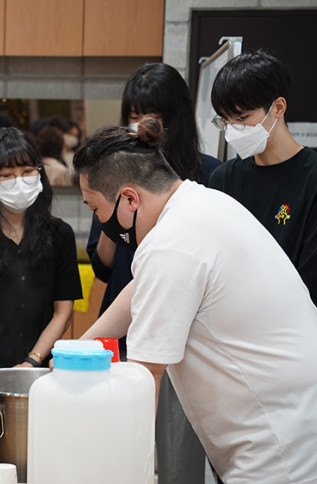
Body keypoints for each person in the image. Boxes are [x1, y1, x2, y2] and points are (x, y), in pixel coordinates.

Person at [76, 122, 317, 483]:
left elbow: (146, 376)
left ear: (129, 199)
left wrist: (126, 472)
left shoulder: (170, 244)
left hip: (288, 446)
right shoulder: (201, 202)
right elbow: (142, 286)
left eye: (95, 208)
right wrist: (79, 347)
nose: (99, 220)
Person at [85, 62, 217, 484]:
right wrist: (112, 219)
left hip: (183, 337)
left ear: (175, 117)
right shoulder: (115, 179)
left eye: (150, 115)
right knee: (115, 451)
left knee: (173, 452)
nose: (139, 125)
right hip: (123, 324)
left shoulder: (206, 180)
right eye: (132, 115)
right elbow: (108, 268)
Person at [208, 50, 317, 311]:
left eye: (241, 118)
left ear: (278, 108)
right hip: (229, 316)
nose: (232, 130)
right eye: (225, 121)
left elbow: (313, 276)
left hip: (288, 320)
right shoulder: (223, 179)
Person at [0, 127, 82, 373]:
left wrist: (32, 361)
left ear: (39, 172)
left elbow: (63, 313)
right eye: (6, 175)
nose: (19, 182)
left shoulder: (60, 235)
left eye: (28, 171)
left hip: (41, 371)